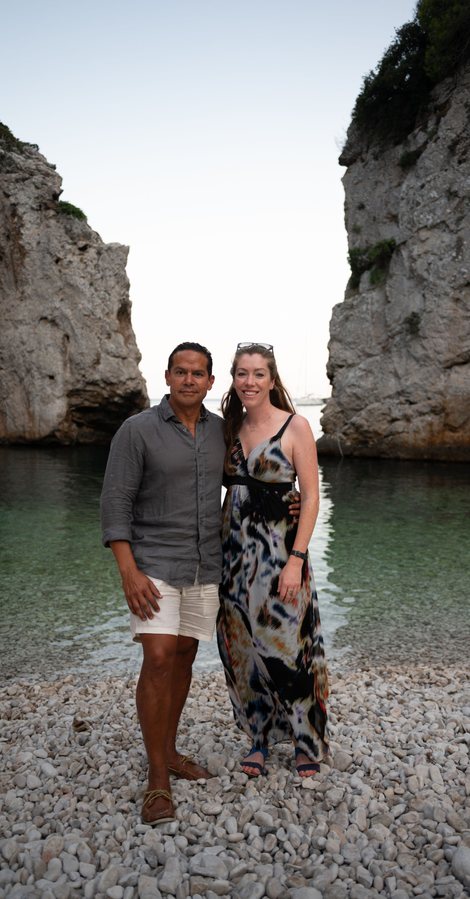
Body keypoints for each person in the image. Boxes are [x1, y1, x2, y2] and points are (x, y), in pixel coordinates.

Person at [100, 342, 226, 825]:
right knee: (156, 657)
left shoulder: (220, 431)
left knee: (185, 655)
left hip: (205, 564)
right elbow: (115, 501)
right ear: (167, 376)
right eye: (181, 371)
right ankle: (157, 778)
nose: (189, 380)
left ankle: (170, 750)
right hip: (152, 562)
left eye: (198, 373)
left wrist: (293, 500)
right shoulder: (137, 431)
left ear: (210, 382)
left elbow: (247, 481)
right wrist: (128, 570)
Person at [216, 342, 329, 778]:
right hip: (233, 559)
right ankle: (258, 738)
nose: (250, 382)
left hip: (281, 557)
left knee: (290, 648)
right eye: (242, 374)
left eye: (258, 374)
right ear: (233, 378)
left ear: (272, 378)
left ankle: (306, 742)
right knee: (242, 650)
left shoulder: (295, 427)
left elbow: (312, 496)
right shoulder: (229, 428)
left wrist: (297, 559)